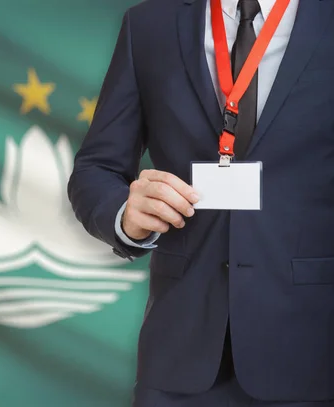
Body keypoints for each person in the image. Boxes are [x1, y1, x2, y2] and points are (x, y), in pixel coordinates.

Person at [67, 0, 334, 406]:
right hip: (179, 356)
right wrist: (124, 214)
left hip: (315, 352)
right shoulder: (149, 24)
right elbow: (96, 167)